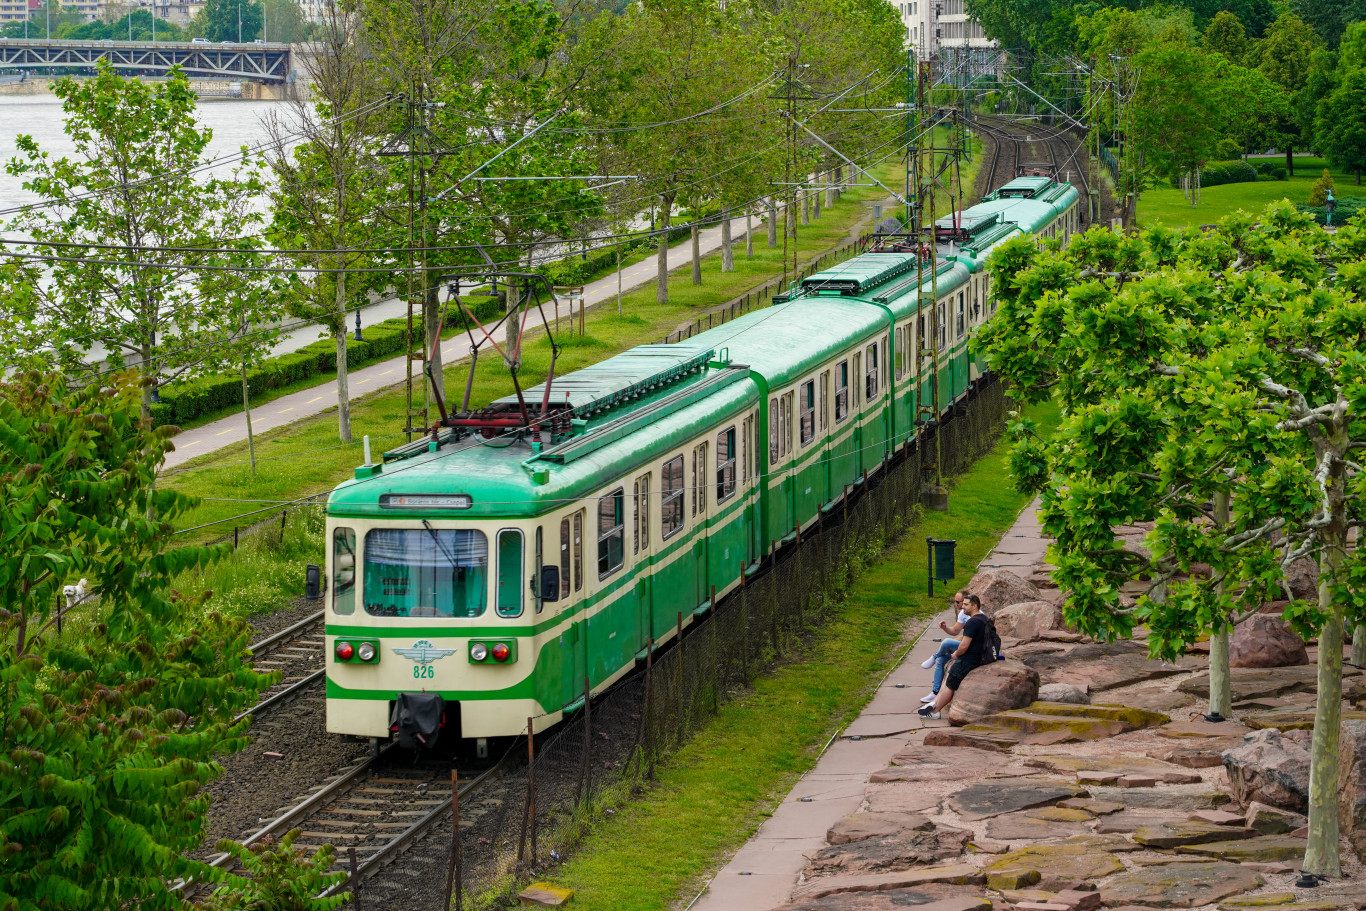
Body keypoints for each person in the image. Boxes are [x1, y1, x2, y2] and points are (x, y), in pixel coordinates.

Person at [919, 593, 989, 720]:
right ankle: (934, 701)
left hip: (970, 659)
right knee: (949, 676)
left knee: (951, 683)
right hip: (980, 656)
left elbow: (964, 645)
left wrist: (956, 654)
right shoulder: (983, 619)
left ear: (974, 606)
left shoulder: (972, 622)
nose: (963, 607)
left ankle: (935, 710)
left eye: (966, 605)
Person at [919, 591, 971, 703]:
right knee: (940, 660)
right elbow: (956, 630)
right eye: (955, 601)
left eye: (958, 602)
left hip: (972, 648)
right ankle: (935, 692)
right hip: (964, 644)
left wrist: (956, 653)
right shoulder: (963, 613)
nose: (955, 604)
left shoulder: (976, 616)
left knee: (947, 642)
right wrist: (945, 628)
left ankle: (934, 656)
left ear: (967, 602)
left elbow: (970, 640)